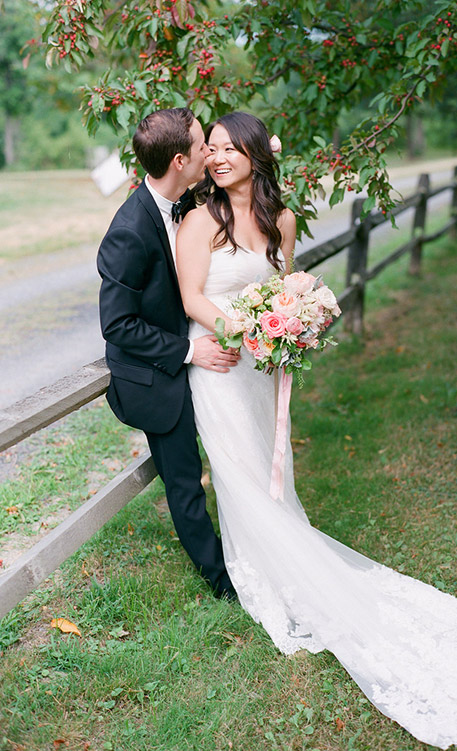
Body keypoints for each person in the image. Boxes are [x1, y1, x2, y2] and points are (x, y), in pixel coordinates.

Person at [175, 111, 457, 748]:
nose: (217, 158)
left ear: (254, 153)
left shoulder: (280, 221)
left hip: (263, 368)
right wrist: (240, 333)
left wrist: (292, 326)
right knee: (238, 472)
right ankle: (267, 576)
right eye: (210, 150)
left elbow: (286, 288)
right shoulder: (200, 220)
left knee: (270, 471)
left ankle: (288, 559)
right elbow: (192, 296)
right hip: (222, 365)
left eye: (227, 148)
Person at [97, 107, 239, 600]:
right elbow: (116, 325)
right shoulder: (128, 232)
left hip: (204, 357)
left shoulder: (186, 195)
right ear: (180, 160)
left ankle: (250, 547)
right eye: (203, 147)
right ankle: (224, 583)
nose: (210, 154)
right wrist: (187, 351)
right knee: (185, 483)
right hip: (157, 377)